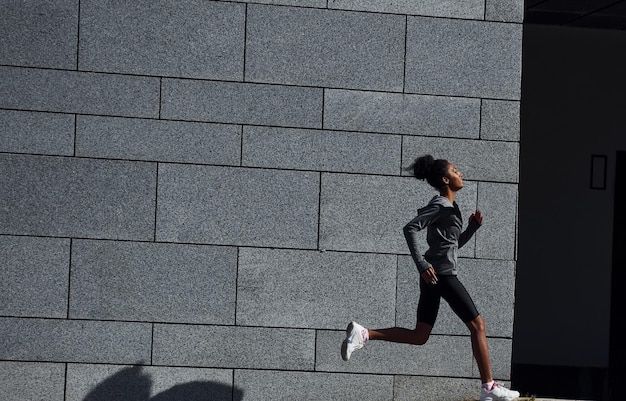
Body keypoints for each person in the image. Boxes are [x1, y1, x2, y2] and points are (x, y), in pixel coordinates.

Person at [340, 155, 520, 401]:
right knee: (478, 325)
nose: (461, 174)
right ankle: (488, 388)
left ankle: (364, 334)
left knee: (419, 336)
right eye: (456, 171)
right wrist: (422, 264)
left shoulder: (451, 208)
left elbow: (452, 245)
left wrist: (471, 230)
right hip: (442, 275)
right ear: (446, 179)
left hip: (434, 277)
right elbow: (410, 228)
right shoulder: (441, 205)